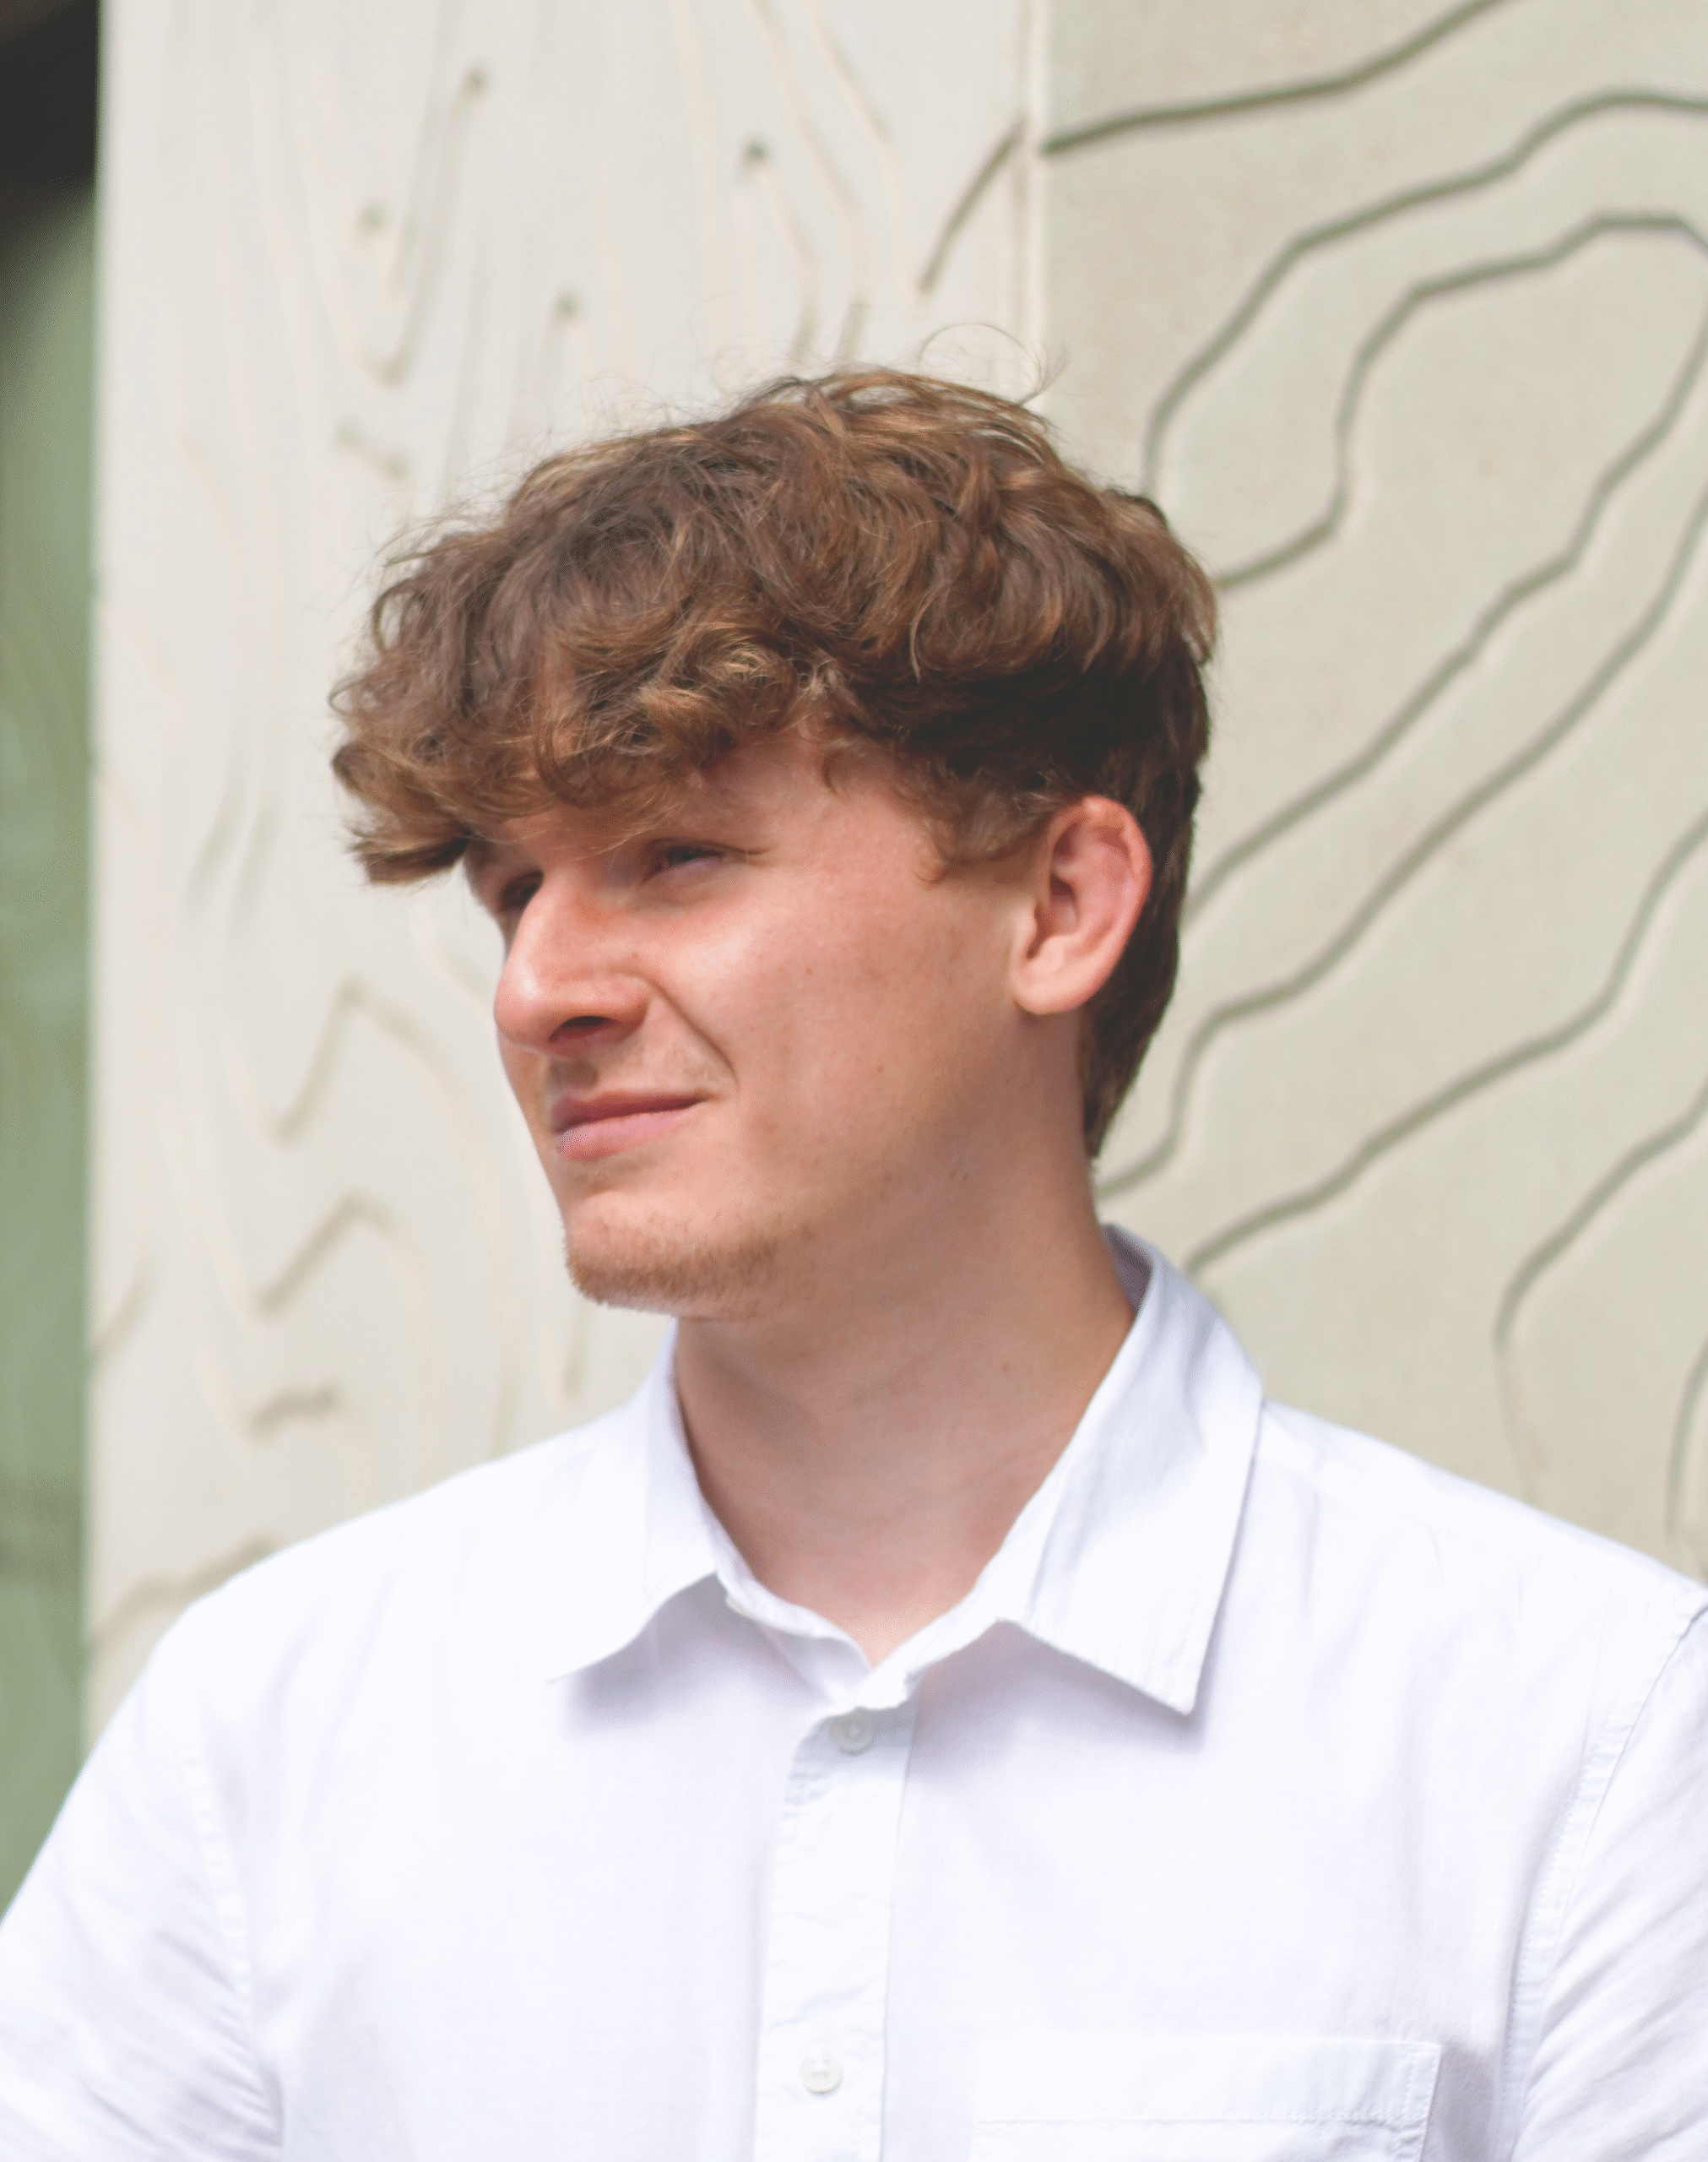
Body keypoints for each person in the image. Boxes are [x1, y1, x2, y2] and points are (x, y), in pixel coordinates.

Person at [0, 369, 1703, 2160]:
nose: (536, 988)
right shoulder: (273, 1730)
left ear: (1059, 906)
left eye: (673, 855)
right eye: (512, 889)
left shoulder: (1573, 1736)